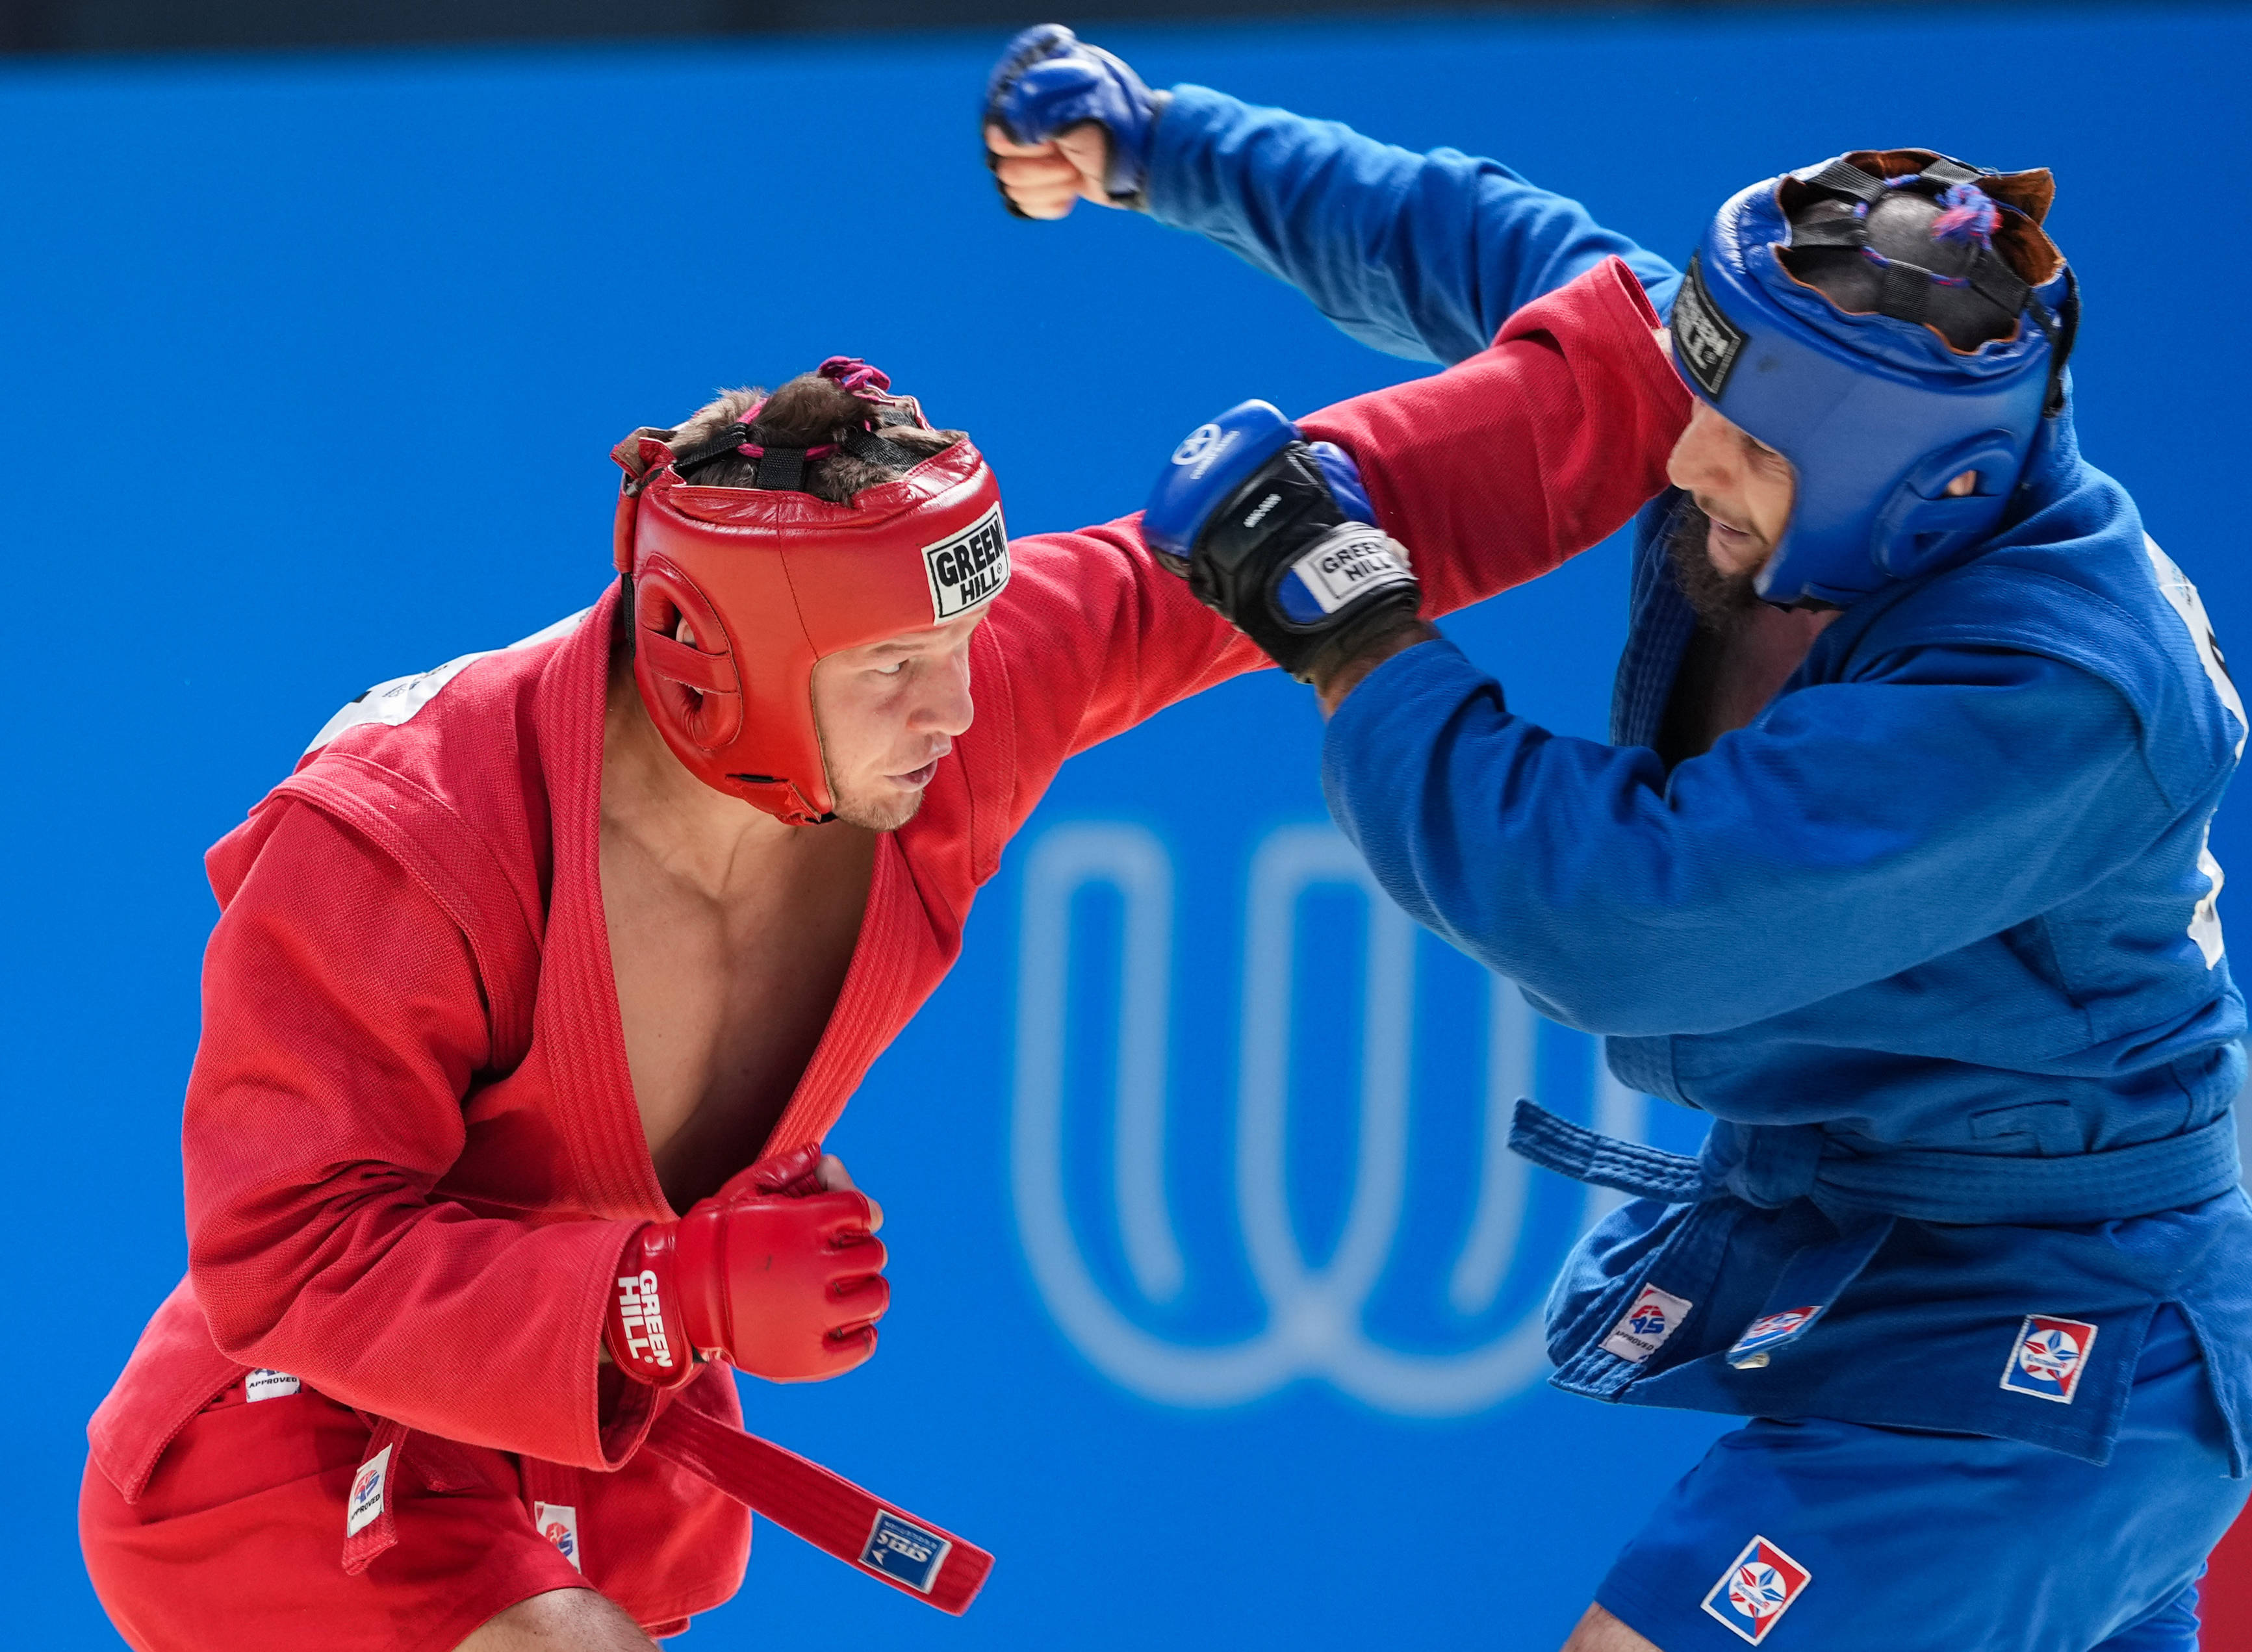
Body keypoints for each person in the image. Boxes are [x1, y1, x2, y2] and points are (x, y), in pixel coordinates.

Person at [81, 279, 1687, 1650]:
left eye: (958, 652)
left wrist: (1664, 367)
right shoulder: (397, 836)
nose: (962, 711)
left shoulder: (939, 719)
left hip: (592, 1441)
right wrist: (668, 1289)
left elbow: (1272, 533)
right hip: (300, 1436)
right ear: (716, 664)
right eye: (902, 671)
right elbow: (283, 1262)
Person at [985, 29, 2252, 1652]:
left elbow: (1623, 912)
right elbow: (1464, 240)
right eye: (1702, 395)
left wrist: (1349, 633)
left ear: (1931, 492)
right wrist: (1158, 143)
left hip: (2057, 1346)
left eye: (1748, 451)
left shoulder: (2058, 687)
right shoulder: (1799, 403)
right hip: (1924, 1278)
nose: (1685, 460)